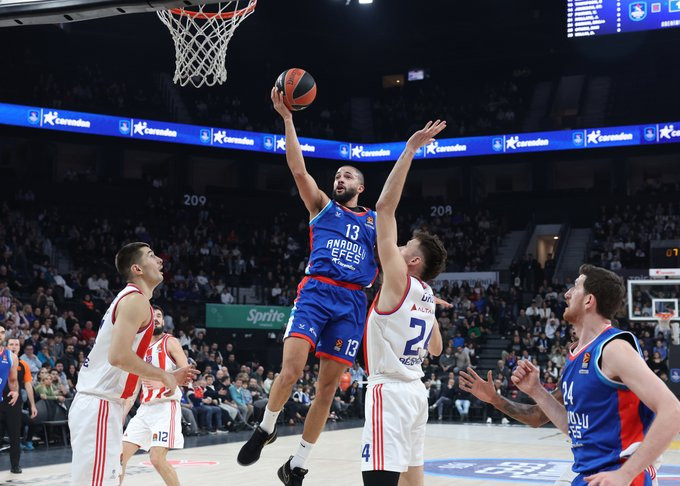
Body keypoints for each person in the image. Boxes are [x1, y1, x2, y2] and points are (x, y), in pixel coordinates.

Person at [238, 88, 379, 486]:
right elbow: (299, 170)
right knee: (291, 370)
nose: (340, 178)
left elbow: (395, 262)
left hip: (352, 302)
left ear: (361, 187)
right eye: (337, 174)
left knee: (328, 387)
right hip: (317, 292)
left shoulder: (375, 223)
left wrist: (422, 290)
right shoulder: (322, 206)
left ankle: (297, 464)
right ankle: (266, 427)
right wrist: (287, 119)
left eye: (347, 175)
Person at [511, 264, 680, 485]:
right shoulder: (576, 356)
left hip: (619, 474)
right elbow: (577, 429)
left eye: (576, 287)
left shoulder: (614, 348)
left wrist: (626, 474)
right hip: (588, 474)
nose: (567, 293)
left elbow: (672, 410)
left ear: (589, 300)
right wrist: (536, 391)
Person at [68, 243, 197, 486]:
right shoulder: (135, 300)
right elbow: (118, 356)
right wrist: (164, 375)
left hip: (105, 403)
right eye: (151, 256)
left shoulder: (132, 300)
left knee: (109, 477)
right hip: (100, 402)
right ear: (137, 269)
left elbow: (124, 363)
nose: (160, 260)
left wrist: (168, 376)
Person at [360, 121, 447, 486]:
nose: (395, 248)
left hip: (390, 392)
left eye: (403, 248)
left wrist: (409, 149)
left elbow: (383, 207)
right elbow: (437, 349)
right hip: (416, 393)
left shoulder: (398, 278)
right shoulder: (426, 295)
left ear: (412, 263)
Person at [121, 306, 190, 486]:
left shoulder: (170, 342)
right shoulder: (138, 349)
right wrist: (121, 415)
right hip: (145, 409)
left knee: (157, 458)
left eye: (159, 316)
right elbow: (134, 389)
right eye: (153, 316)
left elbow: (187, 375)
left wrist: (164, 381)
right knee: (118, 457)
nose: (157, 319)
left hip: (166, 407)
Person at [4, 337, 38, 458]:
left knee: (19, 430)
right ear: (6, 346)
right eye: (11, 344)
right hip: (1, 401)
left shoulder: (23, 365)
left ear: (19, 347)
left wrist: (33, 405)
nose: (14, 346)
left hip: (15, 404)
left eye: (16, 345)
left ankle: (16, 463)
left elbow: (28, 386)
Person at [0, 326, 20, 473]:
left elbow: (13, 381)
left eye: (1, 332)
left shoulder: (11, 357)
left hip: (6, 400)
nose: (0, 334)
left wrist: (16, 392)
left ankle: (15, 465)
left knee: (14, 434)